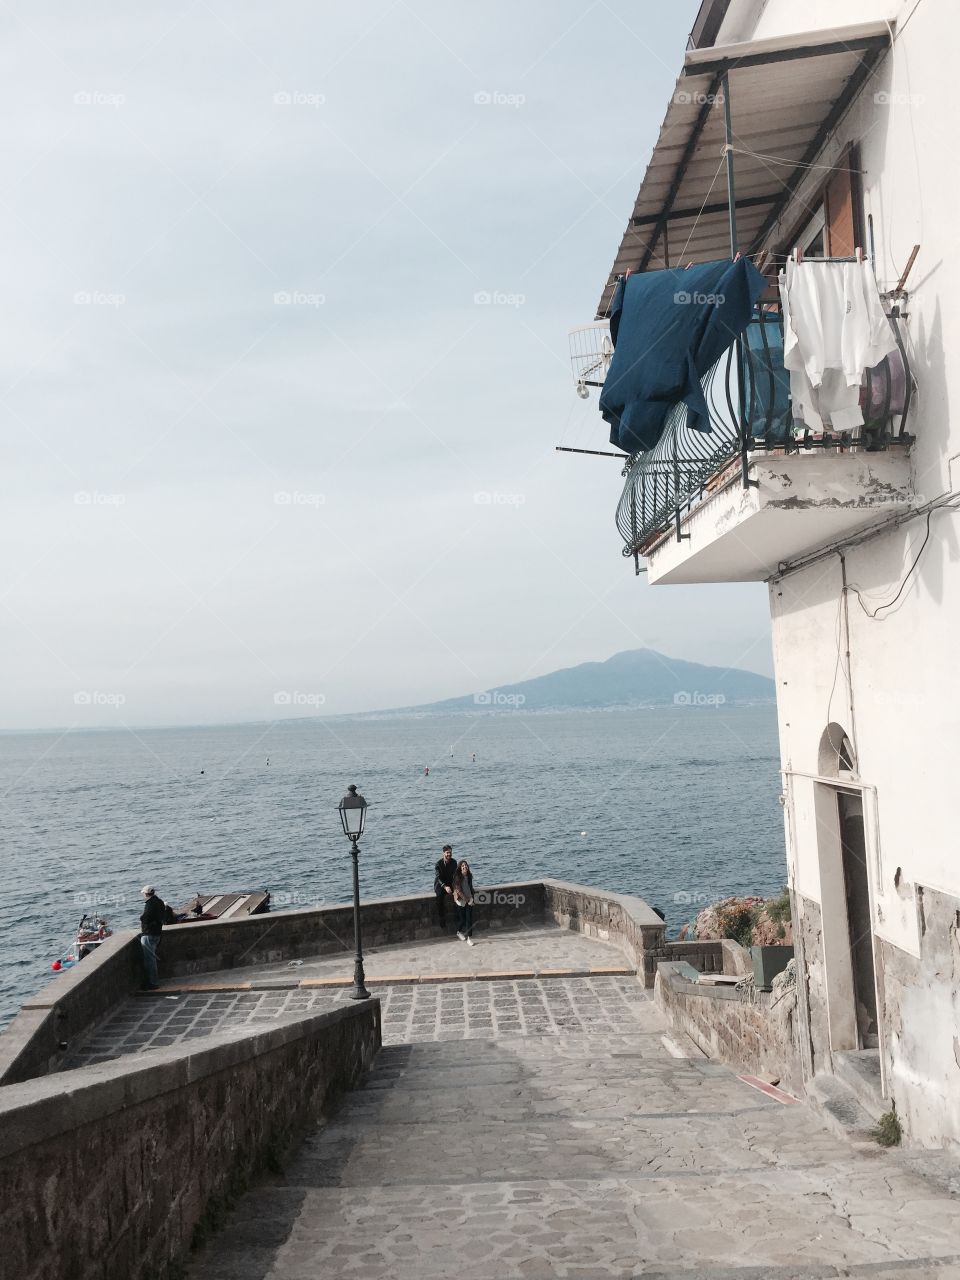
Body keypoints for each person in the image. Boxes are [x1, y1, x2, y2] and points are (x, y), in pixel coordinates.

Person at [139, 885, 166, 990]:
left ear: (146, 894)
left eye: (143, 894)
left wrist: (141, 917)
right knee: (152, 959)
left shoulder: (150, 904)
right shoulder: (159, 902)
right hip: (157, 933)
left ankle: (153, 983)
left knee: (150, 960)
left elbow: (145, 918)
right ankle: (152, 982)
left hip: (149, 934)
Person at [453, 859, 475, 945]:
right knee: (462, 920)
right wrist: (468, 900)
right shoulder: (457, 878)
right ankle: (458, 932)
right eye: (462, 866)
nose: (464, 867)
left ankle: (469, 938)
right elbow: (459, 892)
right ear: (460, 868)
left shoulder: (469, 876)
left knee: (469, 919)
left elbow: (470, 888)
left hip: (469, 900)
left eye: (466, 865)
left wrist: (472, 898)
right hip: (461, 902)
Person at [434, 845, 457, 928]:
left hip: (450, 883)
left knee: (459, 894)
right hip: (440, 885)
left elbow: (455, 876)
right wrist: (445, 887)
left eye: (450, 853)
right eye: (447, 853)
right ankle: (441, 918)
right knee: (439, 897)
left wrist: (455, 887)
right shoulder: (438, 864)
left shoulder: (454, 862)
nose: (449, 854)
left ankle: (458, 917)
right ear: (443, 853)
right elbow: (438, 877)